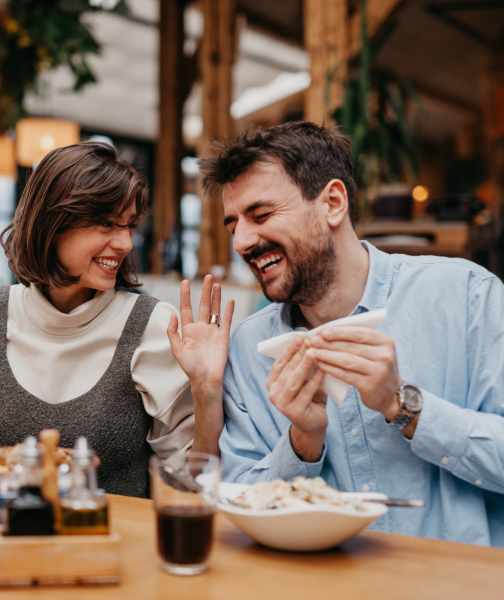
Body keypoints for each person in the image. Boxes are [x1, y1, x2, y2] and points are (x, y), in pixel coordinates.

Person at [183, 120, 504, 546]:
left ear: (333, 202)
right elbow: (238, 497)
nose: (242, 241)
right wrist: (302, 443)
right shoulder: (246, 348)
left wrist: (405, 407)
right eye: (232, 225)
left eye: (260, 215)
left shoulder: (467, 296)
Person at [0, 142, 230, 497]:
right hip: (0, 541)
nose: (125, 243)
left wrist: (207, 392)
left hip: (112, 544)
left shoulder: (152, 325)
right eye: (106, 224)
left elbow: (190, 478)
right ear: (52, 224)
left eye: (129, 226)